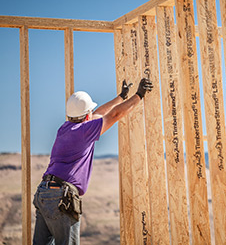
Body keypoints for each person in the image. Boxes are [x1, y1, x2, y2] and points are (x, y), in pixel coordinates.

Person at [32, 78, 153, 245]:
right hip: (61, 197)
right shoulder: (83, 132)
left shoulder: (64, 128)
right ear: (87, 115)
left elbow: (99, 114)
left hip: (44, 193)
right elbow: (114, 115)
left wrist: (120, 97)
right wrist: (139, 95)